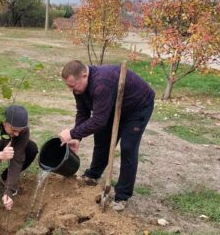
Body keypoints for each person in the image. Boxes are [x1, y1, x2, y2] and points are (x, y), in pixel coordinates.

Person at [59, 60, 154, 212]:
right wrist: (77, 137)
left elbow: (98, 120)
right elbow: (83, 113)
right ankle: (93, 175)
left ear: (84, 75)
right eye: (68, 86)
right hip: (112, 105)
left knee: (128, 147)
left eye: (72, 85)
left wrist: (71, 133)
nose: (71, 89)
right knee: (102, 139)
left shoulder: (101, 83)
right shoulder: (79, 89)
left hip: (137, 107)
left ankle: (122, 195)